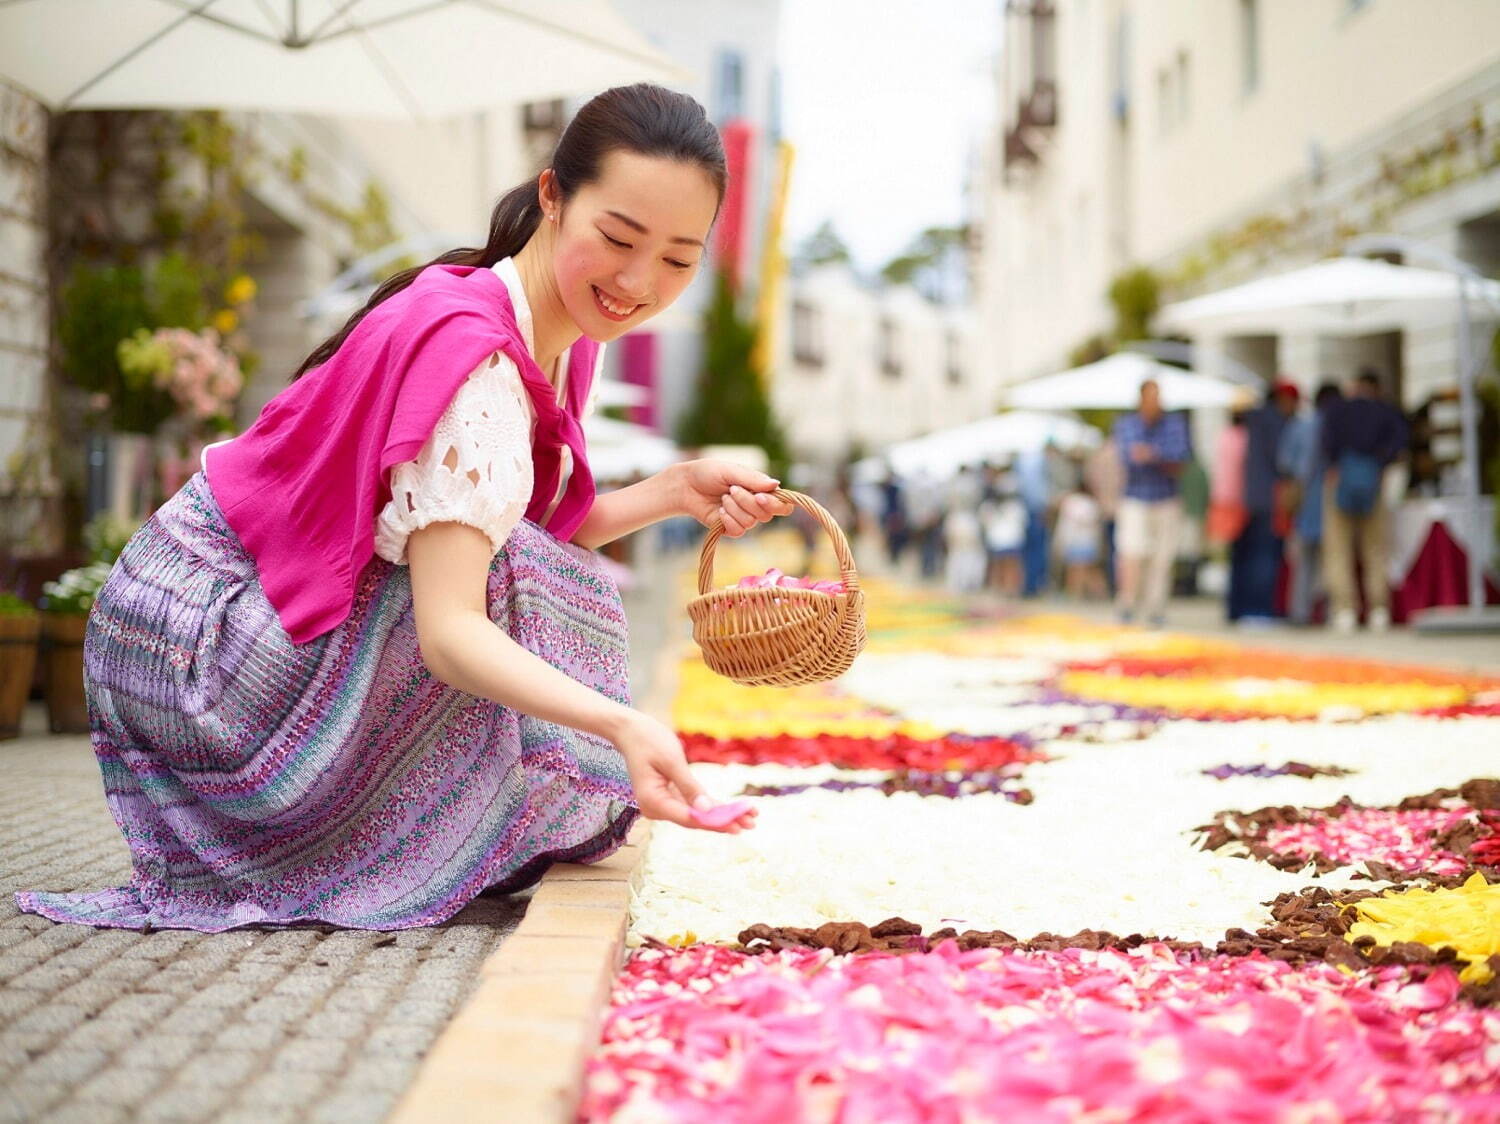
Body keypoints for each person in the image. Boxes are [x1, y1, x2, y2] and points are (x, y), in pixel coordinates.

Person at [17, 85, 791, 934]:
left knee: (533, 573)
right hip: (185, 645)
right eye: (617, 239)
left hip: (232, 613)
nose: (639, 284)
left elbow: (511, 522)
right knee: (536, 595)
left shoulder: (557, 328)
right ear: (552, 196)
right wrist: (620, 725)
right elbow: (451, 627)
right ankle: (400, 836)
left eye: (679, 260)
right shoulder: (481, 362)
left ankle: (446, 826)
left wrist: (677, 491)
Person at [1321, 368, 1409, 633]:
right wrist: (1380, 464)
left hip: (1341, 481)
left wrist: (1336, 466)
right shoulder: (1385, 411)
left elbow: (1325, 443)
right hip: (1373, 482)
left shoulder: (1337, 411)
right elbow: (1400, 442)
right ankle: (1379, 609)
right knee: (1375, 549)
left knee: (1339, 549)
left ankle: (1344, 609)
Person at [1112, 379, 1192, 627]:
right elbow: (1130, 457)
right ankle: (1127, 603)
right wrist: (1161, 455)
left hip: (1166, 499)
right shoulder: (1126, 425)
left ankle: (1156, 608)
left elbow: (1181, 458)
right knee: (1131, 553)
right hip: (1136, 497)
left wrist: (1152, 454)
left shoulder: (1174, 424)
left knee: (1162, 558)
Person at [1228, 380, 1298, 624]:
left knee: (1247, 556)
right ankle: (1259, 610)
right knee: (1265, 557)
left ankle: (1241, 609)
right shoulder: (1275, 422)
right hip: (1270, 498)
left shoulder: (1253, 421)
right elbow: (1283, 461)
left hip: (1249, 496)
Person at [1277, 382, 1341, 625]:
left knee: (1303, 560)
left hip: (1304, 499)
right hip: (1330, 499)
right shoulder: (1334, 426)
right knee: (1330, 559)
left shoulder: (1299, 427)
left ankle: (1300, 611)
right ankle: (1326, 611)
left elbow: (1285, 463)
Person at [1083, 436, 1124, 595]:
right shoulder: (1123, 453)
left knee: (1108, 549)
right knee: (1122, 549)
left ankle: (1112, 584)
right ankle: (1118, 585)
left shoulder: (1098, 456)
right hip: (1122, 509)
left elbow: (1089, 479)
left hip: (1104, 508)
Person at [1054, 483, 1105, 599]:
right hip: (1084, 541)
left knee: (1078, 570)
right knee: (1084, 569)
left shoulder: (1074, 502)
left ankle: (1077, 592)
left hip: (1079, 541)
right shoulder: (1089, 503)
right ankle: (1080, 592)